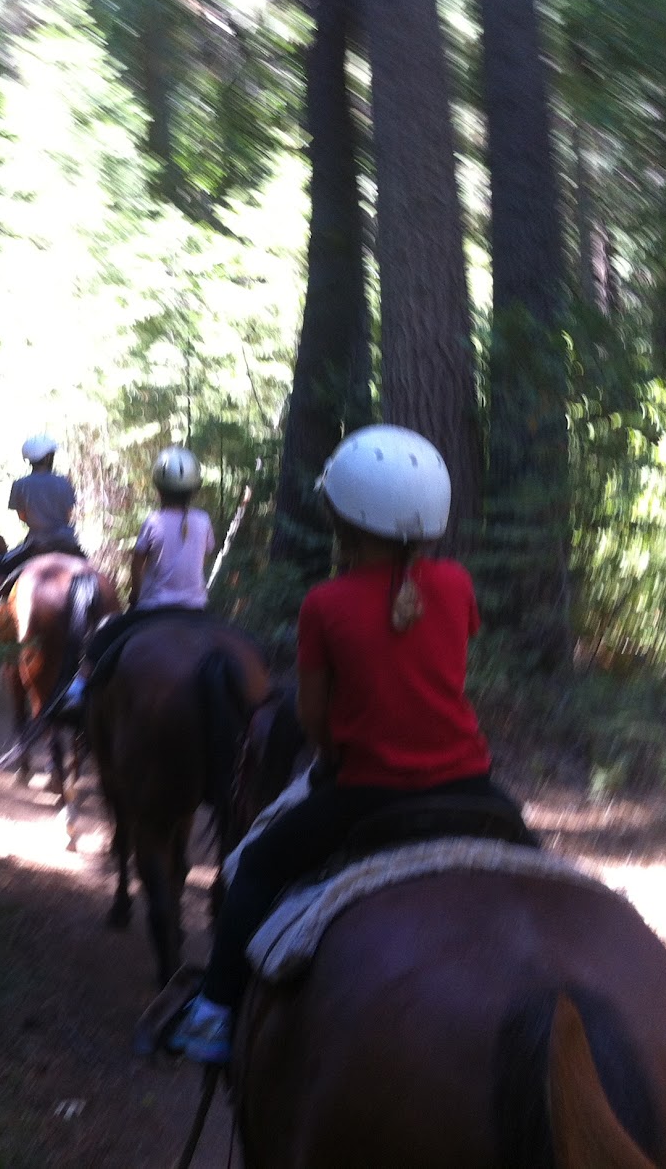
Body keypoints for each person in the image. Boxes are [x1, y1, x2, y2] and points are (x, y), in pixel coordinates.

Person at [169, 424, 516, 1064]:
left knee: (255, 866)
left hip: (366, 792)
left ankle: (214, 1012)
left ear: (342, 519)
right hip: (471, 781)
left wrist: (331, 757)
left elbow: (313, 713)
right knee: (534, 871)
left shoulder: (325, 603)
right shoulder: (459, 586)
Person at [58, 445, 215, 711]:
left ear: (158, 489)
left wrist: (135, 594)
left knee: (103, 637)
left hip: (154, 609)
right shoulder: (203, 520)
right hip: (196, 609)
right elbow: (206, 552)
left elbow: (138, 562)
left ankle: (77, 689)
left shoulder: (153, 521)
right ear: (194, 489)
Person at [0, 434, 82, 582]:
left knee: (0, 567)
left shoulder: (20, 484)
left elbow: (22, 516)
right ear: (47, 458)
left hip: (35, 542)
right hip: (67, 541)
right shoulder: (64, 482)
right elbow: (68, 515)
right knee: (92, 571)